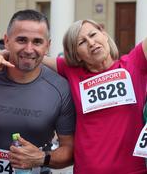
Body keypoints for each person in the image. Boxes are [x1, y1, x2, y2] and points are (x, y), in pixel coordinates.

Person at [0, 9, 75, 173]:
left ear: (48, 45)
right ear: (6, 41)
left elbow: (70, 150)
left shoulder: (61, 88)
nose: (28, 49)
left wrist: (42, 158)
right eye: (21, 40)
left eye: (37, 42)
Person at [42, 19, 147, 174]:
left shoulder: (134, 64)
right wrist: (4, 54)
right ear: (76, 55)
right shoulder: (71, 72)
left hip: (133, 170)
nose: (91, 43)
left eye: (93, 35)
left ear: (104, 35)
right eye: (82, 42)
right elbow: (32, 56)